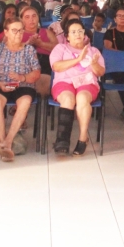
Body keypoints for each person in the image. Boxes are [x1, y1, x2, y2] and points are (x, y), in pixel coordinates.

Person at [0, 16, 41, 161]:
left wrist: (22, 78)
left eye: (21, 30)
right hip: (0, 84)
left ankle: (8, 143)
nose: (19, 34)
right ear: (6, 32)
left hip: (23, 85)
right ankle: (3, 141)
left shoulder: (29, 50)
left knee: (26, 100)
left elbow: (36, 73)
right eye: (14, 31)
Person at [50, 19, 106, 155]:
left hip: (87, 84)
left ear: (85, 34)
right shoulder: (60, 48)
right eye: (73, 32)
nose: (78, 34)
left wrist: (93, 64)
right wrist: (78, 59)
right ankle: (62, 140)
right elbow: (56, 66)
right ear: (67, 36)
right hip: (64, 82)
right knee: (68, 99)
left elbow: (101, 72)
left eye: (80, 31)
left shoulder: (93, 50)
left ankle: (83, 138)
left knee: (81, 98)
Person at [20, 6, 57, 96]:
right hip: (23, 62)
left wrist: (40, 44)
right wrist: (28, 44)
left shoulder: (47, 32)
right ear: (22, 20)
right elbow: (9, 49)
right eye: (27, 17)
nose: (31, 19)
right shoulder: (17, 32)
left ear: (38, 17)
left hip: (44, 62)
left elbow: (57, 48)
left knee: (43, 81)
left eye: (34, 16)